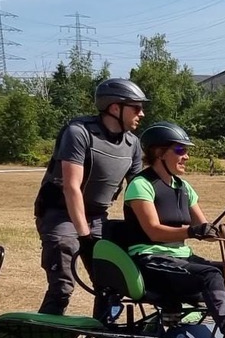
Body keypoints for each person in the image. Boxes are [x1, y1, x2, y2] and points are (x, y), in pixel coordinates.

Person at [123, 121, 225, 334]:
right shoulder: (141, 184)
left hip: (180, 258)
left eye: (186, 150)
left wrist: (219, 230)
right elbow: (153, 231)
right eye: (180, 150)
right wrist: (191, 232)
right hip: (151, 260)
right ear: (159, 152)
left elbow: (203, 229)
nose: (186, 156)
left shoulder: (183, 187)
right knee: (209, 274)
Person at [34, 78, 148, 315]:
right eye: (136, 107)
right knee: (62, 286)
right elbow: (71, 187)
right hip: (60, 214)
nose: (142, 113)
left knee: (111, 286)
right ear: (115, 108)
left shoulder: (133, 144)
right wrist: (85, 237)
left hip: (97, 216)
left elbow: (140, 191)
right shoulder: (79, 133)